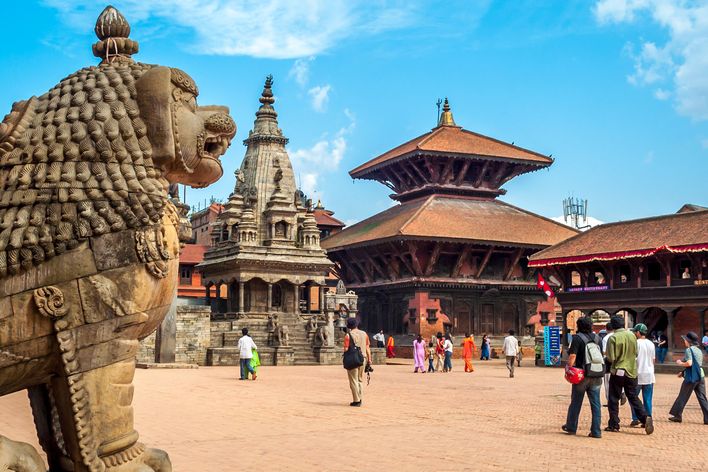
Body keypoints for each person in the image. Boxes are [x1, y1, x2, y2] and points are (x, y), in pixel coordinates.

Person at [605, 315, 653, 434]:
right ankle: (644, 417)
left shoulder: (613, 338)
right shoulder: (632, 336)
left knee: (613, 398)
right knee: (633, 396)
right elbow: (636, 353)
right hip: (632, 371)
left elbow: (611, 357)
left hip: (618, 371)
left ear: (613, 326)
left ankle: (614, 424)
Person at [562, 316, 603, 438]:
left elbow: (572, 357)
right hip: (596, 373)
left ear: (578, 326)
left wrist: (568, 369)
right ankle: (596, 431)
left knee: (576, 402)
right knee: (596, 404)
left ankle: (571, 426)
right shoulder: (598, 338)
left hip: (581, 375)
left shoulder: (577, 338)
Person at [668, 331, 708, 424]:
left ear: (688, 341)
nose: (684, 341)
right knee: (702, 397)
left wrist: (680, 363)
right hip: (700, 375)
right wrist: (682, 373)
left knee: (683, 395)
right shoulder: (699, 350)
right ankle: (707, 418)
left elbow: (690, 363)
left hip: (691, 377)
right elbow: (696, 365)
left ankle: (677, 416)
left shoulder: (689, 350)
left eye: (685, 340)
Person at [629, 323, 655, 427]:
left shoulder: (636, 343)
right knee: (647, 399)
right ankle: (648, 417)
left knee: (634, 398)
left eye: (635, 332)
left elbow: (633, 359)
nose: (634, 333)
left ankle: (636, 418)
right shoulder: (651, 344)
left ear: (638, 333)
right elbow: (653, 360)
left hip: (638, 374)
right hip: (649, 374)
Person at [343, 317, 372, 407]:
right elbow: (367, 347)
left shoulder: (348, 335)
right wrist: (369, 359)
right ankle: (360, 398)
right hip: (363, 359)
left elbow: (346, 349)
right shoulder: (364, 334)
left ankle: (356, 400)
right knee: (360, 379)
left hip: (353, 359)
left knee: (353, 380)